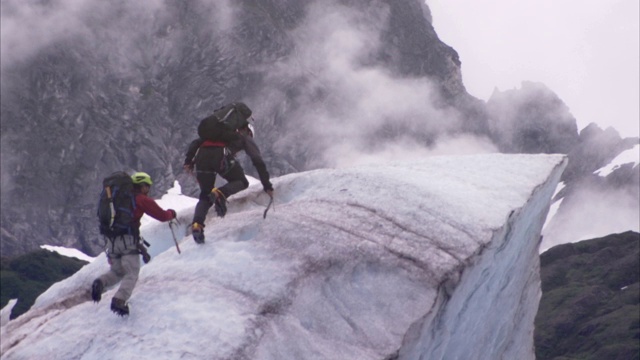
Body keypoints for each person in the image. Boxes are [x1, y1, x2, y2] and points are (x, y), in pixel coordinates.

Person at [91, 172, 176, 316]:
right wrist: (171, 214)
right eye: (147, 186)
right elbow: (161, 216)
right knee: (132, 273)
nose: (148, 190)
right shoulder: (141, 199)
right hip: (128, 241)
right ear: (142, 185)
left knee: (117, 272)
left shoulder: (119, 199)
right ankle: (119, 300)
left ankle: (100, 282)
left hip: (111, 241)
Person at [184, 110, 274, 244]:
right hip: (220, 155)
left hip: (201, 158)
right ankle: (220, 193)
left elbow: (195, 143)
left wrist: (188, 161)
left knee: (205, 194)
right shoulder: (243, 137)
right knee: (241, 181)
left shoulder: (215, 134)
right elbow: (257, 161)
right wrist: (267, 185)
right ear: (248, 130)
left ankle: (197, 224)